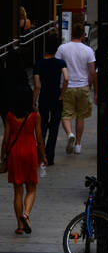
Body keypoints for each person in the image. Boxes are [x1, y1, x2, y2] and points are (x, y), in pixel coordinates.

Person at [1, 87, 47, 234]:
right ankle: (26, 215)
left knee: (17, 191)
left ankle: (20, 226)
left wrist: (2, 156)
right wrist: (44, 156)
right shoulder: (35, 115)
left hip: (15, 153)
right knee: (32, 188)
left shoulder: (10, 115)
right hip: (30, 152)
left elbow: (6, 139)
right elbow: (39, 139)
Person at [60, 23, 96, 156]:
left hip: (67, 86)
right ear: (83, 35)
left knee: (65, 115)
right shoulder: (88, 50)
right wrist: (92, 87)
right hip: (82, 86)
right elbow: (92, 71)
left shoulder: (62, 48)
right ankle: (78, 145)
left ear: (71, 34)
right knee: (81, 116)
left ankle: (70, 133)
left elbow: (58, 66)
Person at [32, 33, 67, 167]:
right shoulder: (60, 63)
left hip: (44, 97)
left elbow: (37, 85)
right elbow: (67, 78)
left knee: (42, 126)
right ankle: (50, 156)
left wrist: (33, 101)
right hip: (57, 96)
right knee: (54, 127)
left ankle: (40, 154)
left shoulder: (38, 64)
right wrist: (62, 94)